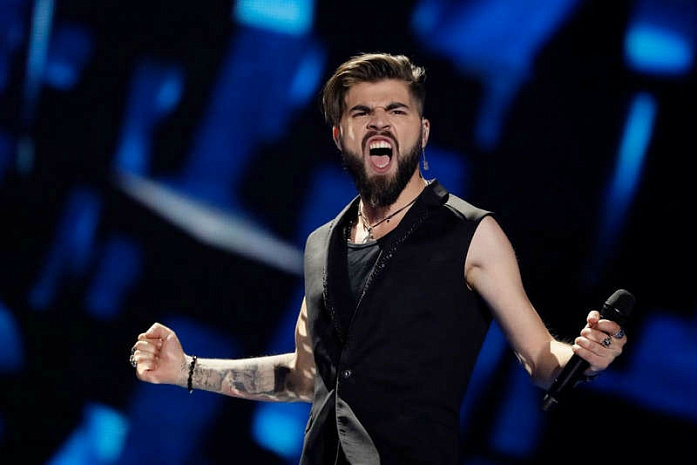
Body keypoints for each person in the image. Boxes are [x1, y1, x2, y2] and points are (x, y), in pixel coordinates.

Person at [129, 52, 628, 464]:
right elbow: (304, 377)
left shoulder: (472, 235)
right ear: (340, 137)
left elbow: (541, 359)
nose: (379, 124)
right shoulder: (323, 244)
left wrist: (583, 359)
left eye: (396, 111)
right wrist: (187, 370)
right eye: (362, 113)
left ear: (422, 132)